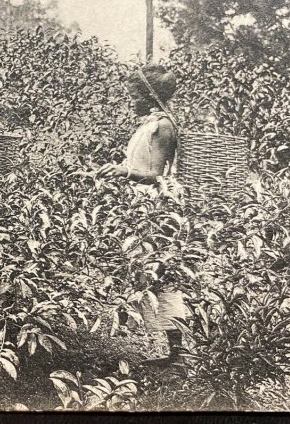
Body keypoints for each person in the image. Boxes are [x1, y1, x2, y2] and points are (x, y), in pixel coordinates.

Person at [95, 64, 185, 365]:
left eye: (134, 96)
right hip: (140, 206)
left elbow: (155, 174)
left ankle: (177, 352)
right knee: (148, 274)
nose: (130, 102)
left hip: (154, 209)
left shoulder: (163, 127)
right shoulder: (151, 123)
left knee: (161, 276)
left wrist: (125, 171)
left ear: (149, 95)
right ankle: (171, 350)